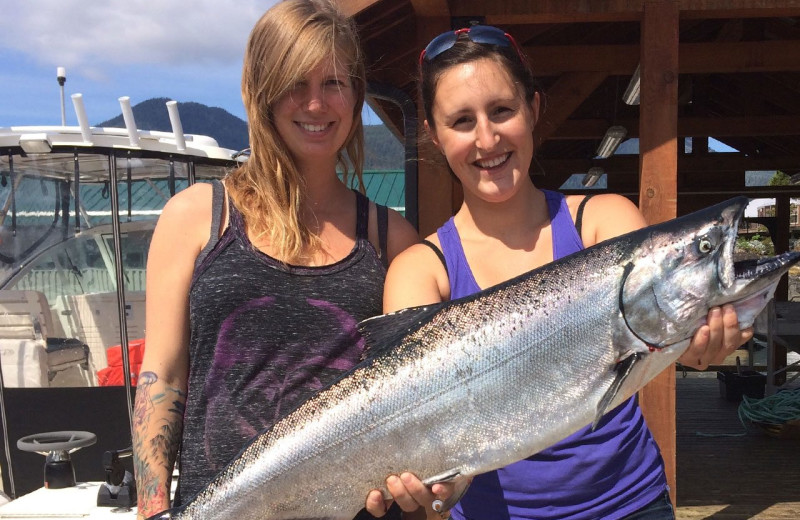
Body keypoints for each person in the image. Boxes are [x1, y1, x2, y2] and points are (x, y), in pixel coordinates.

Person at [367, 25, 754, 520]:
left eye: (502, 110)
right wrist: (429, 488)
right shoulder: (420, 270)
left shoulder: (605, 221)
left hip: (631, 506)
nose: (487, 138)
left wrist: (701, 350)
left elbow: (665, 343)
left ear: (532, 108)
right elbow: (424, 440)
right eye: (462, 121)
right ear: (435, 135)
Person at [131, 1, 419, 518]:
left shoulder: (391, 237)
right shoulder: (196, 216)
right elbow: (164, 374)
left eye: (333, 83)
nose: (315, 104)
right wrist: (151, 508)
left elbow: (409, 389)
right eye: (295, 83)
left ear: (356, 96)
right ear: (260, 92)